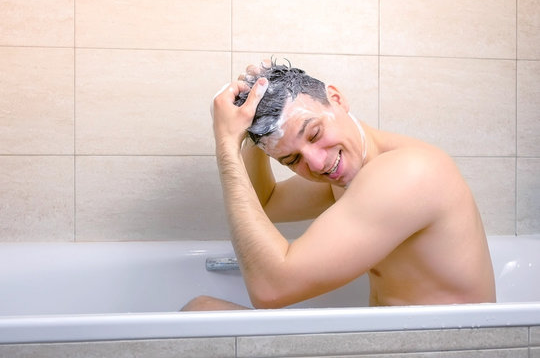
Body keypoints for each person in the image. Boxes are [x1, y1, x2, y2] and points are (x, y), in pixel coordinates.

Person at [182, 59, 496, 311]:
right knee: (201, 309)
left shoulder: (408, 173)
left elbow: (271, 290)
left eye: (315, 134)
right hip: (395, 341)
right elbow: (264, 204)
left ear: (337, 98)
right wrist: (254, 125)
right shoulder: (351, 171)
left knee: (200, 310)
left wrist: (226, 143)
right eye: (292, 159)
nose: (317, 164)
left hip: (442, 348)